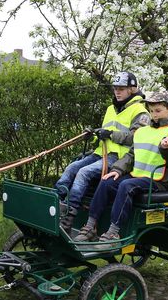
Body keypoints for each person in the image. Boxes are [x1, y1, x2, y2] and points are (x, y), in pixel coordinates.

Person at [74, 90, 168, 242]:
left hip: (159, 180)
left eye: (158, 111)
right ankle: (90, 226)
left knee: (126, 186)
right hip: (139, 175)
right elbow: (132, 154)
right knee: (107, 181)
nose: (154, 115)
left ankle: (114, 232)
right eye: (151, 111)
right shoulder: (143, 131)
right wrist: (117, 170)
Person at [56, 71, 149, 232]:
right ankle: (56, 200)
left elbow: (137, 138)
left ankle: (69, 216)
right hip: (100, 153)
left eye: (121, 88)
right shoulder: (110, 109)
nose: (117, 92)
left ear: (132, 90)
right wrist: (92, 135)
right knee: (71, 167)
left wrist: (111, 135)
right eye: (115, 88)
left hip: (119, 158)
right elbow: (104, 136)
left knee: (83, 172)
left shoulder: (141, 111)